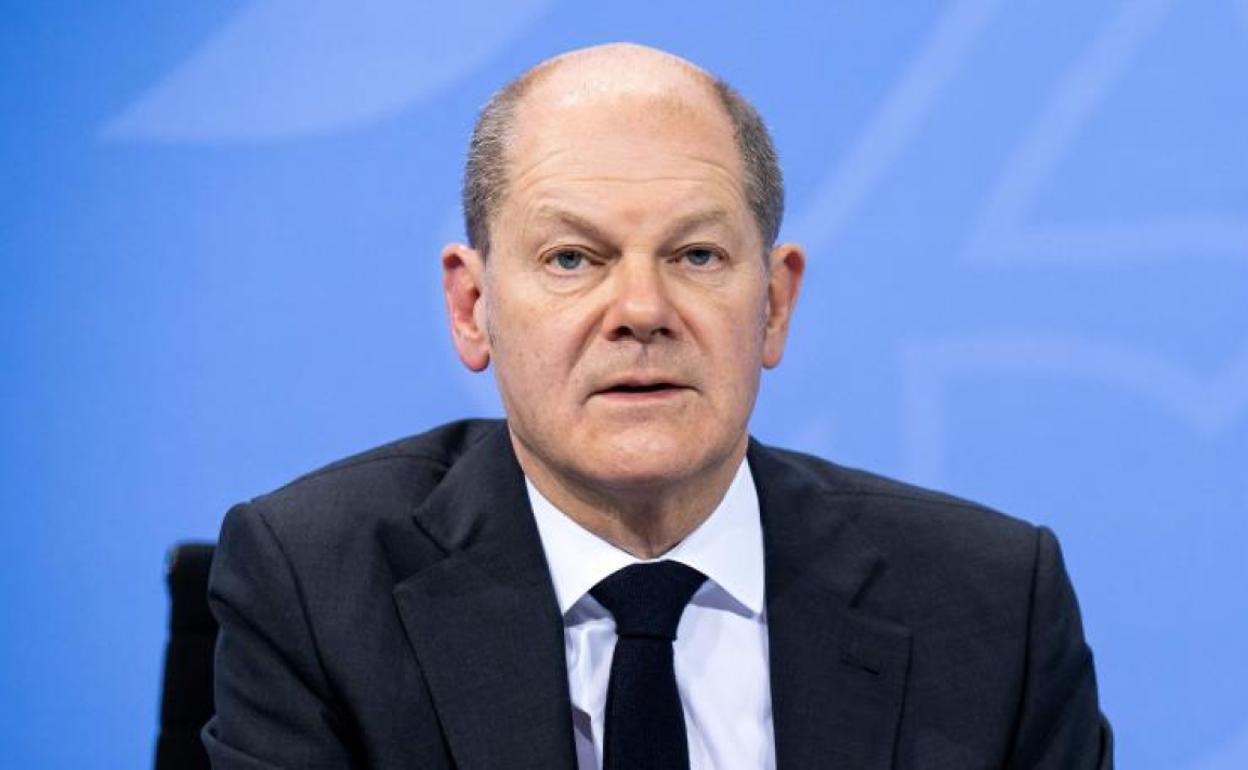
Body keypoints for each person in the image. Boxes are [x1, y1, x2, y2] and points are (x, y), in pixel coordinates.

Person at [202, 43, 1113, 769]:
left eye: (697, 256)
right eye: (572, 259)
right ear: (472, 307)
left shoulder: (991, 603)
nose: (641, 310)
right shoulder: (317, 588)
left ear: (775, 304)